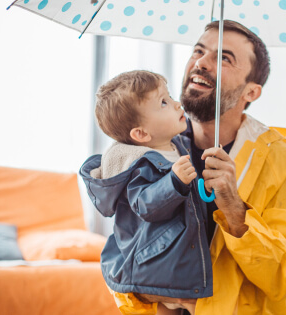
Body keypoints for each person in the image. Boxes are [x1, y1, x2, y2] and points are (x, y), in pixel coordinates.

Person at [177, 20, 286, 314]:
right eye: (198, 50)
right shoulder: (153, 148)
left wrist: (234, 209)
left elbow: (285, 277)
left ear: (251, 92)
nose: (201, 63)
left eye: (223, 58)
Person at [79, 70, 213, 315]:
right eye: (163, 102)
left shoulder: (176, 144)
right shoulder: (141, 163)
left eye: (170, 96)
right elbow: (144, 204)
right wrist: (174, 182)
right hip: (156, 262)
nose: (176, 103)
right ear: (141, 134)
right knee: (198, 306)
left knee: (171, 308)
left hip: (172, 258)